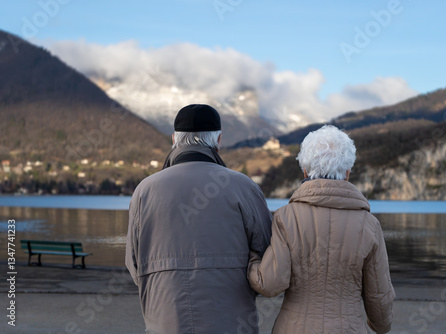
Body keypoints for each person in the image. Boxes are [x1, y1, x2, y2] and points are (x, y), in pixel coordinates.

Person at [126, 104, 272, 334]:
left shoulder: (145, 190)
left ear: (174, 139)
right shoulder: (243, 186)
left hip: (165, 321)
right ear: (219, 140)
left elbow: (134, 264)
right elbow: (266, 255)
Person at [248, 125, 395, 334]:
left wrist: (252, 260)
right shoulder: (369, 224)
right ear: (347, 172)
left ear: (305, 170)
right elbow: (380, 298)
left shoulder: (286, 217)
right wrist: (381, 325)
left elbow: (270, 283)